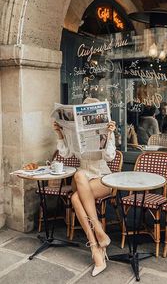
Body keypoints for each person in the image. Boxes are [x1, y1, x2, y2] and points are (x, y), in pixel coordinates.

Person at [53, 97, 116, 277]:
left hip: (103, 178)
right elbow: (65, 153)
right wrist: (60, 133)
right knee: (80, 175)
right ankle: (98, 233)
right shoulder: (77, 133)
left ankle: (96, 248)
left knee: (74, 197)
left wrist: (109, 135)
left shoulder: (107, 129)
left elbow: (110, 157)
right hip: (83, 178)